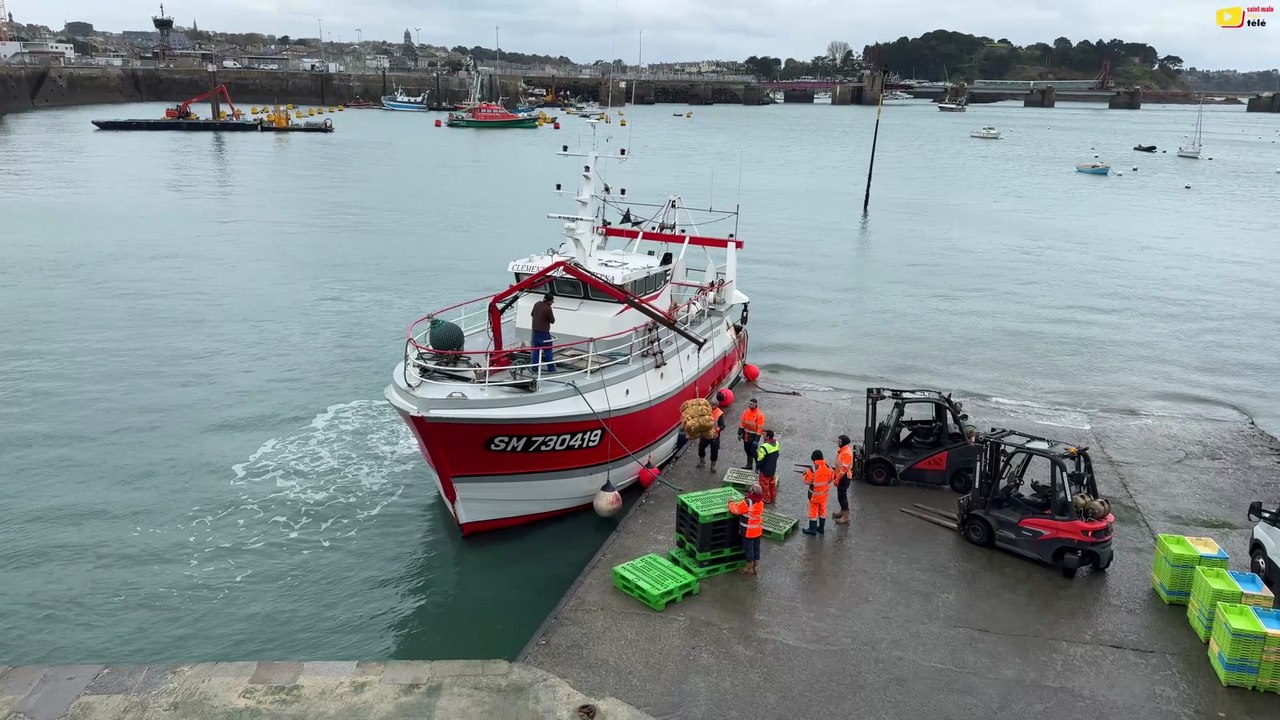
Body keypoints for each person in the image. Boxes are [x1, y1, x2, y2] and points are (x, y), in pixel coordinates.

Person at [727, 482, 765, 575]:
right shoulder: (760, 501)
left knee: (749, 549)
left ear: (752, 491)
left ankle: (748, 568)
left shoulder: (748, 502)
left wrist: (731, 503)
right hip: (758, 530)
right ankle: (755, 567)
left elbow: (735, 510)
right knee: (756, 548)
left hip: (749, 532)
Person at [801, 449, 834, 536]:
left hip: (814, 495)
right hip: (824, 494)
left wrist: (804, 475)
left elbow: (807, 482)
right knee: (823, 511)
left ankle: (812, 530)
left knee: (813, 512)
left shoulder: (812, 470)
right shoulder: (828, 467)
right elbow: (831, 479)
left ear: (814, 459)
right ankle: (821, 528)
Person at [696, 399, 725, 473]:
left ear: (715, 406)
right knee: (701, 448)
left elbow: (722, 425)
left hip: (714, 436)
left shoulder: (719, 413)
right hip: (705, 434)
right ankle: (702, 461)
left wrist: (716, 429)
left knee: (714, 451)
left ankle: (713, 466)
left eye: (710, 405)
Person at [737, 398, 766, 470]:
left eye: (751, 404)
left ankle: (758, 467)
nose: (749, 405)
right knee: (747, 450)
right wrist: (739, 433)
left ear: (755, 404)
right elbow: (742, 422)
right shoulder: (746, 411)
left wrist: (757, 440)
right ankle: (749, 465)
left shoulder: (759, 415)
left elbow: (760, 428)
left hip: (753, 436)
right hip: (746, 435)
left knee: (753, 452)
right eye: (749, 404)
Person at [531, 292, 556, 373]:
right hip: (544, 334)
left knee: (536, 351)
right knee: (548, 351)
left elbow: (532, 314)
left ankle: (534, 368)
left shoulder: (537, 304)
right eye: (552, 301)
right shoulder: (548, 308)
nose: (552, 303)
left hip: (535, 333)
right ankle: (551, 368)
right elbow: (552, 321)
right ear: (549, 301)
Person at [833, 435, 855, 524]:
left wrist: (837, 478)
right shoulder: (843, 450)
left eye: (839, 441)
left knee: (842, 496)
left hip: (844, 477)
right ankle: (842, 512)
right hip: (841, 476)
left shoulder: (846, 453)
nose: (838, 442)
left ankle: (846, 516)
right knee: (840, 495)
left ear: (844, 443)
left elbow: (844, 469)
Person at [755, 430, 780, 504]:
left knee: (764, 484)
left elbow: (760, 459)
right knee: (772, 484)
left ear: (768, 437)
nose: (763, 436)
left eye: (764, 435)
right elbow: (777, 455)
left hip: (765, 469)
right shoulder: (776, 443)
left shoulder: (764, 447)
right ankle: (773, 496)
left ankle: (766, 499)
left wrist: (757, 467)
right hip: (772, 468)